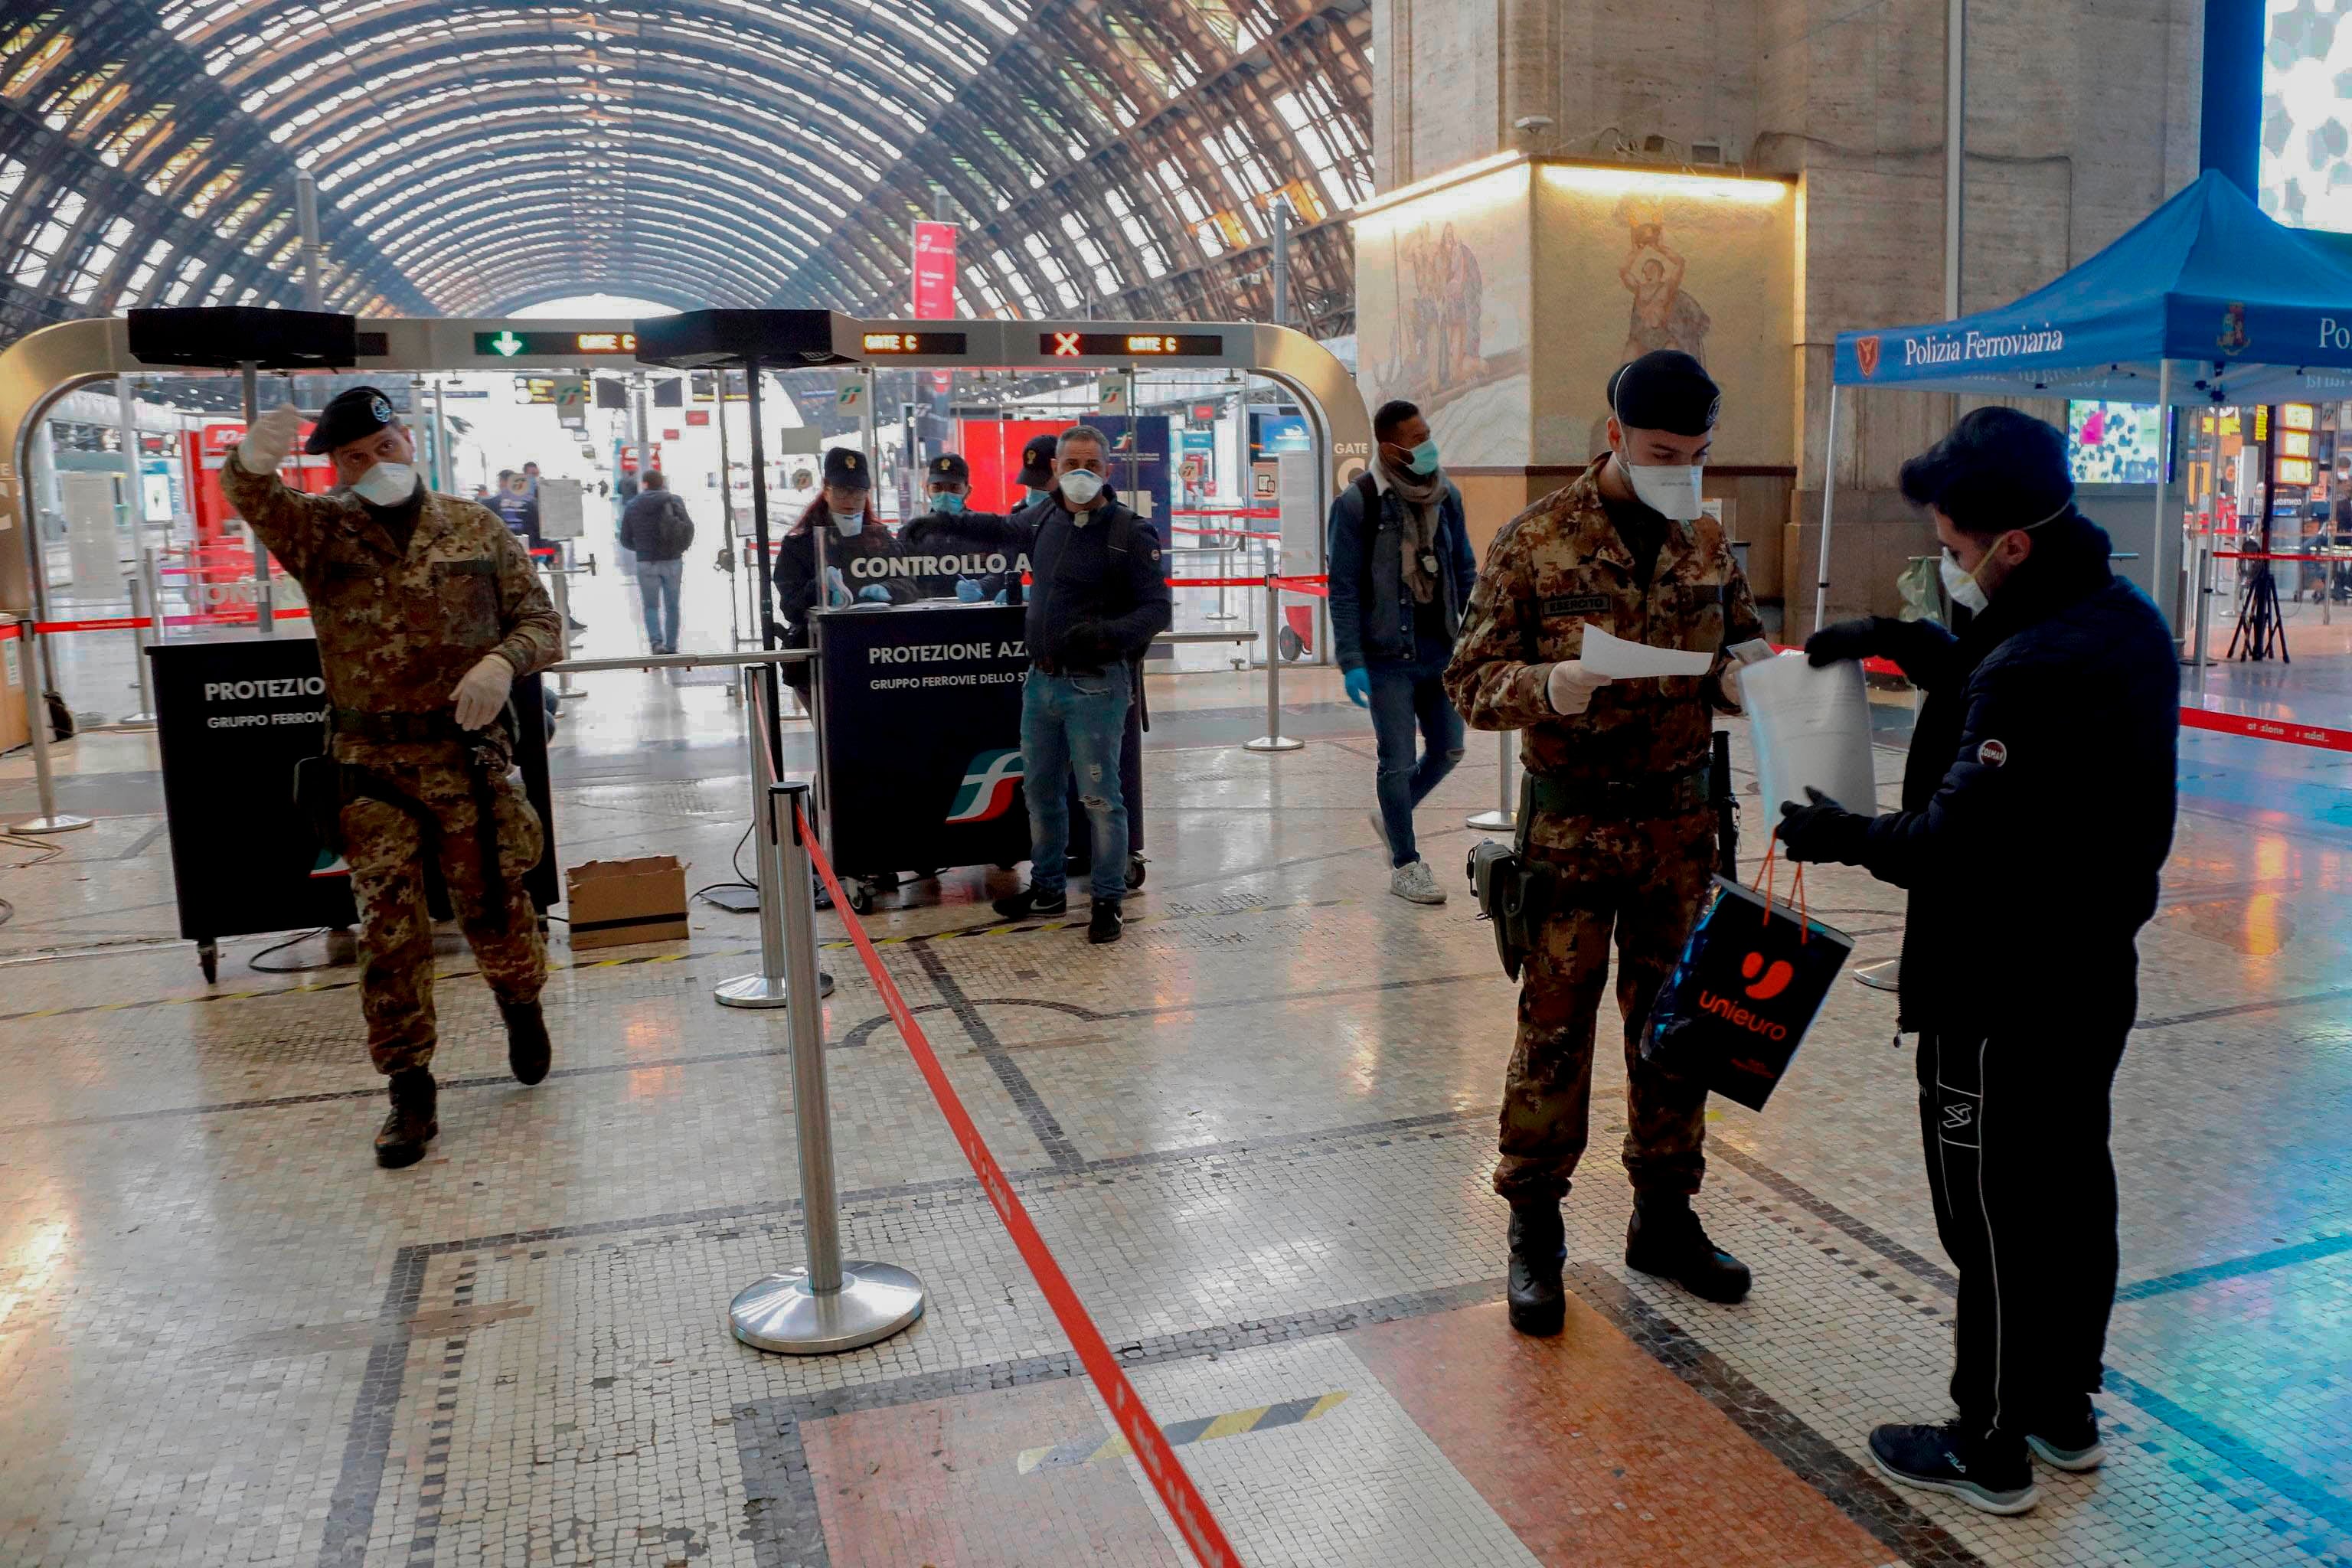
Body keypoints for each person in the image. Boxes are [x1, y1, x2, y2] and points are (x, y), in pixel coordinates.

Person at [1777, 407, 2178, 1515]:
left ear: (2013, 543)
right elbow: (2011, 688)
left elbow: (1952, 841)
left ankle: (1990, 1443)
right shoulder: (2120, 618)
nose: (1946, 568)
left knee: (1991, 1213)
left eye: (1953, 551)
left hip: (1997, 987)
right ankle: (2060, 1410)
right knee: (2067, 1188)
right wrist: (1894, 641)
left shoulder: (2034, 663)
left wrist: (1837, 832)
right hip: (2090, 971)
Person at [1445, 349, 1765, 1336]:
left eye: (1698, 453)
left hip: (1680, 822)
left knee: (1676, 1032)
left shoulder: (1706, 538)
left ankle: (1664, 1216)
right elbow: (1469, 679)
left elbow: (1741, 638)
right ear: (1615, 433)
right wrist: (1546, 686)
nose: (1683, 469)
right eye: (1664, 451)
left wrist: (1742, 674)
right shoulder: (1536, 541)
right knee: (1554, 1032)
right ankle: (1536, 1230)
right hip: (1573, 826)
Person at [220, 389, 560, 1169]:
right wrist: (250, 461)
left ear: (410, 439)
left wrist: (501, 662)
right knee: (388, 932)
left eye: (384, 445)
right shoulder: (322, 530)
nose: (374, 464)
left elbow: (541, 623)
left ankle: (521, 1001)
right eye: (353, 457)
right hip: (372, 771)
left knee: (496, 905)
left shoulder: (474, 525)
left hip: (467, 761)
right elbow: (254, 497)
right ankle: (409, 1085)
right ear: (336, 466)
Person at [989, 425, 1171, 943]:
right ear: (1056, 469)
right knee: (1041, 792)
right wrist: (942, 523)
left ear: (1107, 471)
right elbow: (1002, 530)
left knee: (1099, 799)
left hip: (1096, 685)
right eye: (1072, 465)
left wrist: (1105, 635)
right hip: (1041, 683)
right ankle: (1047, 889)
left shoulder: (1129, 532)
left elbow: (1157, 608)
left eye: (1091, 466)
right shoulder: (1045, 516)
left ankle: (1108, 900)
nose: (1081, 475)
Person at [1328, 398, 1478, 904]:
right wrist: (1351, 660)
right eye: (1415, 440)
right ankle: (1406, 863)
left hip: (1441, 651)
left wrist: (1474, 637)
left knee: (1450, 749)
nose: (1427, 445)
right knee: (1396, 759)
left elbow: (1464, 569)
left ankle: (1394, 814)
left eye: (1427, 434)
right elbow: (1343, 587)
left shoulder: (1446, 495)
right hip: (1387, 654)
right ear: (1389, 447)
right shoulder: (1358, 503)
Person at [769, 446, 913, 691]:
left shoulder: (880, 539)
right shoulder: (799, 544)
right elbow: (790, 608)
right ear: (826, 490)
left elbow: (909, 584)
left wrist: (885, 588)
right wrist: (818, 587)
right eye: (842, 491)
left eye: (858, 493)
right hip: (820, 659)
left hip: (877, 653)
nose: (850, 501)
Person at [899, 452, 1018, 599]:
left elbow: (1002, 572)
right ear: (927, 490)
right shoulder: (912, 532)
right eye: (937, 488)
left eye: (954, 488)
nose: (944, 494)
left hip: (977, 613)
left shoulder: (985, 529)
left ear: (968, 490)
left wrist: (982, 586)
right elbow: (902, 578)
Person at [619, 469, 694, 653]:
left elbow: (624, 539)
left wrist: (642, 549)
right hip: (672, 561)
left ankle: (656, 643)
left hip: (646, 562)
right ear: (662, 483)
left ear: (644, 484)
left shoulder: (633, 505)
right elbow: (689, 528)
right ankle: (671, 646)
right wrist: (680, 549)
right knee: (672, 606)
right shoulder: (674, 500)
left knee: (651, 606)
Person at [491, 469, 540, 551]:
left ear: (502, 482)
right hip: (527, 548)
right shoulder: (530, 502)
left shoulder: (492, 503)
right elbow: (536, 528)